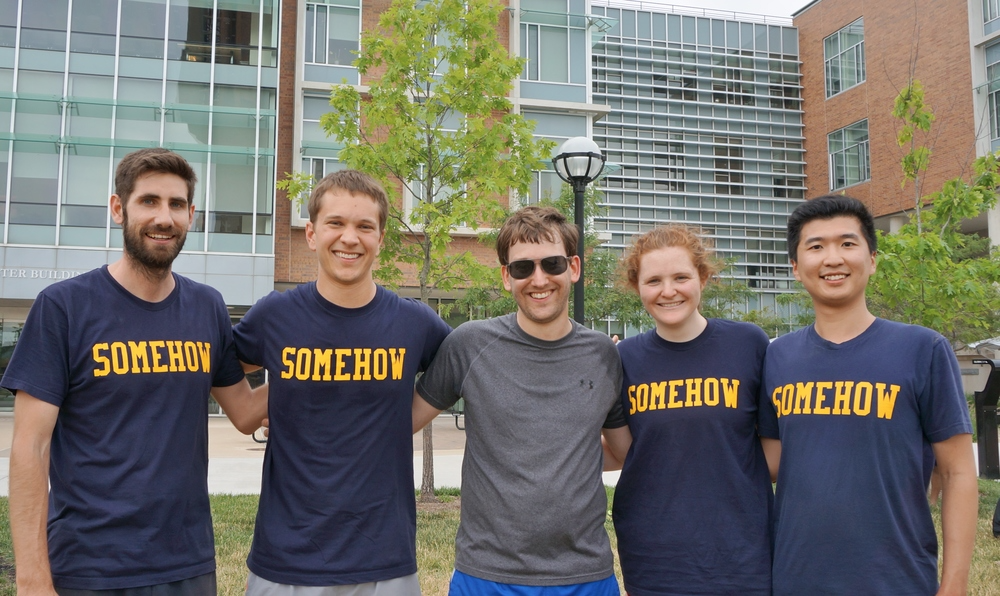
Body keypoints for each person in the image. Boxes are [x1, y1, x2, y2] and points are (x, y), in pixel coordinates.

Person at [5, 148, 267, 594]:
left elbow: (244, 413)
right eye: (149, 201)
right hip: (88, 568)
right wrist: (32, 579)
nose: (164, 217)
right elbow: (30, 448)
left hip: (187, 564)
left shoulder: (206, 306)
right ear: (117, 208)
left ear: (191, 215)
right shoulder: (65, 307)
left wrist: (308, 361)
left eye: (177, 204)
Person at [233, 169, 452, 594]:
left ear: (381, 239)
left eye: (364, 226)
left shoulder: (414, 324)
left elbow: (459, 373)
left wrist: (402, 418)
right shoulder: (274, 317)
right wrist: (282, 395)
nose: (349, 238)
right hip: (285, 560)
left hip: (385, 559)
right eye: (336, 223)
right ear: (312, 233)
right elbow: (219, 374)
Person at [761, 195, 978, 595]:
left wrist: (954, 585)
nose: (832, 258)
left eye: (847, 243)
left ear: (872, 259)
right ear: (795, 267)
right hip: (796, 579)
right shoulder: (777, 356)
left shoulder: (922, 349)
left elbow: (958, 471)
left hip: (896, 579)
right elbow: (772, 463)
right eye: (816, 246)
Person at [412, 205, 632, 596]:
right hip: (486, 574)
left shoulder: (603, 355)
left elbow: (620, 453)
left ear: (574, 268)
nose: (539, 279)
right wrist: (303, 416)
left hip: (585, 576)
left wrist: (559, 457)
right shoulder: (469, 344)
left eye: (552, 264)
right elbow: (398, 422)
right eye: (522, 268)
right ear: (505, 277)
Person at [608, 225, 778, 596]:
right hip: (654, 553)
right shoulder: (624, 359)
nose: (668, 291)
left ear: (702, 277)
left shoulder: (748, 343)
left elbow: (772, 454)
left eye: (681, 277)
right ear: (637, 286)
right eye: (653, 280)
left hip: (740, 551)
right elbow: (625, 451)